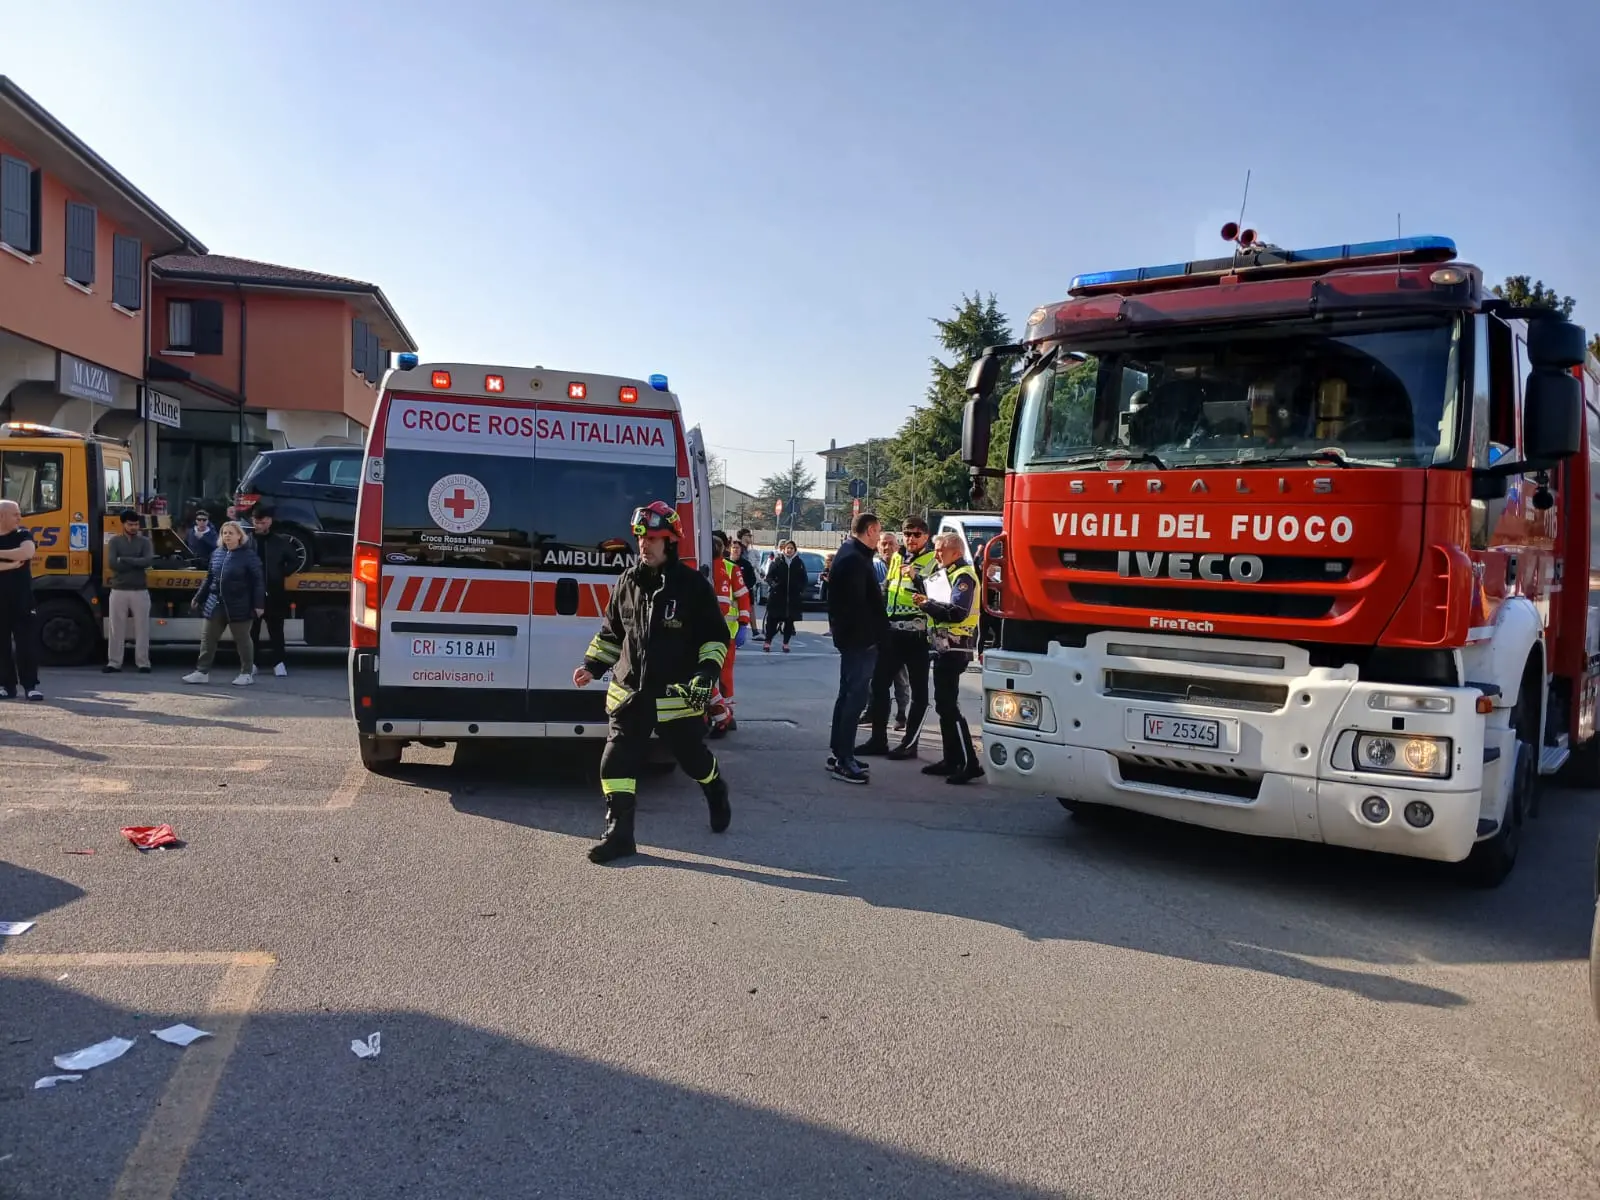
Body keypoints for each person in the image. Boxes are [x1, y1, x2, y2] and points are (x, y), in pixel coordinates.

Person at [574, 500, 731, 863]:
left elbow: (714, 637)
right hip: (630, 693)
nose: (644, 545)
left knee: (693, 761)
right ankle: (620, 835)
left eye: (653, 539)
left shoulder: (692, 586)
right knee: (614, 763)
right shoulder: (627, 582)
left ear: (671, 541)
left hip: (677, 695)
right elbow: (612, 634)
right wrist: (592, 665)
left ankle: (715, 788)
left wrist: (707, 673)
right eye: (641, 538)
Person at [858, 516, 935, 761]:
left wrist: (916, 577)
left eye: (916, 534)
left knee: (919, 692)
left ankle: (909, 743)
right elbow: (887, 588)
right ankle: (878, 739)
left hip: (917, 633)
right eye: (907, 534)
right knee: (879, 685)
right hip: (891, 632)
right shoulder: (897, 557)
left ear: (926, 536)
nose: (910, 539)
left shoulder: (933, 560)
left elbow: (938, 595)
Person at [912, 531, 985, 784]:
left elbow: (957, 612)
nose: (937, 554)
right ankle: (951, 758)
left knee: (948, 705)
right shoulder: (949, 573)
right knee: (944, 704)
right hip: (944, 646)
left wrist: (927, 605)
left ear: (957, 552)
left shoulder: (964, 575)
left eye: (941, 550)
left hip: (956, 646)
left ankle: (969, 762)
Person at [824, 511, 886, 784]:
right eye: (879, 532)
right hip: (859, 641)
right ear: (870, 530)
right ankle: (844, 758)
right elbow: (856, 607)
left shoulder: (851, 553)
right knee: (855, 698)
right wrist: (874, 637)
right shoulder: (854, 558)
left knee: (847, 694)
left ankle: (840, 751)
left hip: (855, 639)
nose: (880, 537)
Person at [183, 520, 264, 686]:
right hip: (215, 602)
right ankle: (202, 672)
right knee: (208, 638)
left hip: (239, 603)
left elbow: (258, 582)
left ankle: (246, 673)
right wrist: (198, 597)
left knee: (242, 640)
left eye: (230, 533)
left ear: (239, 536)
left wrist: (259, 604)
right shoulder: (217, 553)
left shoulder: (249, 556)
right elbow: (209, 578)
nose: (227, 536)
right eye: (224, 533)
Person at [860, 530, 909, 730]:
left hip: (899, 630)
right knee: (875, 676)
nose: (887, 547)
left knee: (900, 677)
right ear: (878, 547)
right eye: (883, 544)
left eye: (890, 544)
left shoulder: (904, 566)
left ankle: (901, 714)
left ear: (897, 546)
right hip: (878, 630)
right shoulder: (873, 566)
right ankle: (872, 712)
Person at [707, 529, 752, 737]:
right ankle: (719, 714)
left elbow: (742, 597)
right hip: (717, 632)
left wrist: (743, 623)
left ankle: (725, 713)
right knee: (710, 674)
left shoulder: (731, 569)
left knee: (723, 675)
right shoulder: (706, 566)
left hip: (727, 632)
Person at [0, 499, 42, 701]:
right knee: (2, 646)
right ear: (2, 516)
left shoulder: (23, 534)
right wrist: (11, 564)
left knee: (26, 644)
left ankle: (31, 686)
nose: (20, 518)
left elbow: (27, 552)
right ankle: (6, 686)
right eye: (15, 514)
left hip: (22, 600)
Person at [105, 508, 154, 674]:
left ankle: (143, 662)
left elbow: (147, 561)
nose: (133, 527)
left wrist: (125, 560)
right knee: (116, 627)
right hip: (119, 589)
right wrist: (136, 562)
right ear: (123, 524)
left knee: (142, 627)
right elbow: (112, 563)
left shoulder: (145, 542)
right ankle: (114, 662)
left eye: (135, 524)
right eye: (130, 524)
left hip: (140, 589)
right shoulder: (115, 542)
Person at [249, 506, 295, 676]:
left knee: (276, 629)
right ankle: (252, 662)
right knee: (251, 630)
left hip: (275, 591)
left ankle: (279, 662)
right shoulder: (247, 541)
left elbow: (294, 560)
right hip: (252, 592)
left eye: (263, 521)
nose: (260, 525)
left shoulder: (280, 541)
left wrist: (282, 573)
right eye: (256, 522)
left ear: (269, 521)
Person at [763, 540, 806, 652]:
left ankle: (785, 643)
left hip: (792, 598)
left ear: (795, 550)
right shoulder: (778, 561)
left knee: (789, 621)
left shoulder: (799, 563)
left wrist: (800, 589)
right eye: (788, 548)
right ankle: (768, 642)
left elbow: (803, 579)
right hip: (777, 597)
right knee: (772, 621)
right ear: (784, 549)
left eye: (792, 548)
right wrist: (774, 585)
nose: (790, 550)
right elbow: (769, 577)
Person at [734, 528, 760, 638]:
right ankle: (750, 630)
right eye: (748, 535)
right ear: (743, 536)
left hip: (748, 582)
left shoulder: (749, 550)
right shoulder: (740, 548)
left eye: (751, 535)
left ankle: (755, 630)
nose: (750, 537)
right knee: (745, 607)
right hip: (741, 582)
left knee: (751, 606)